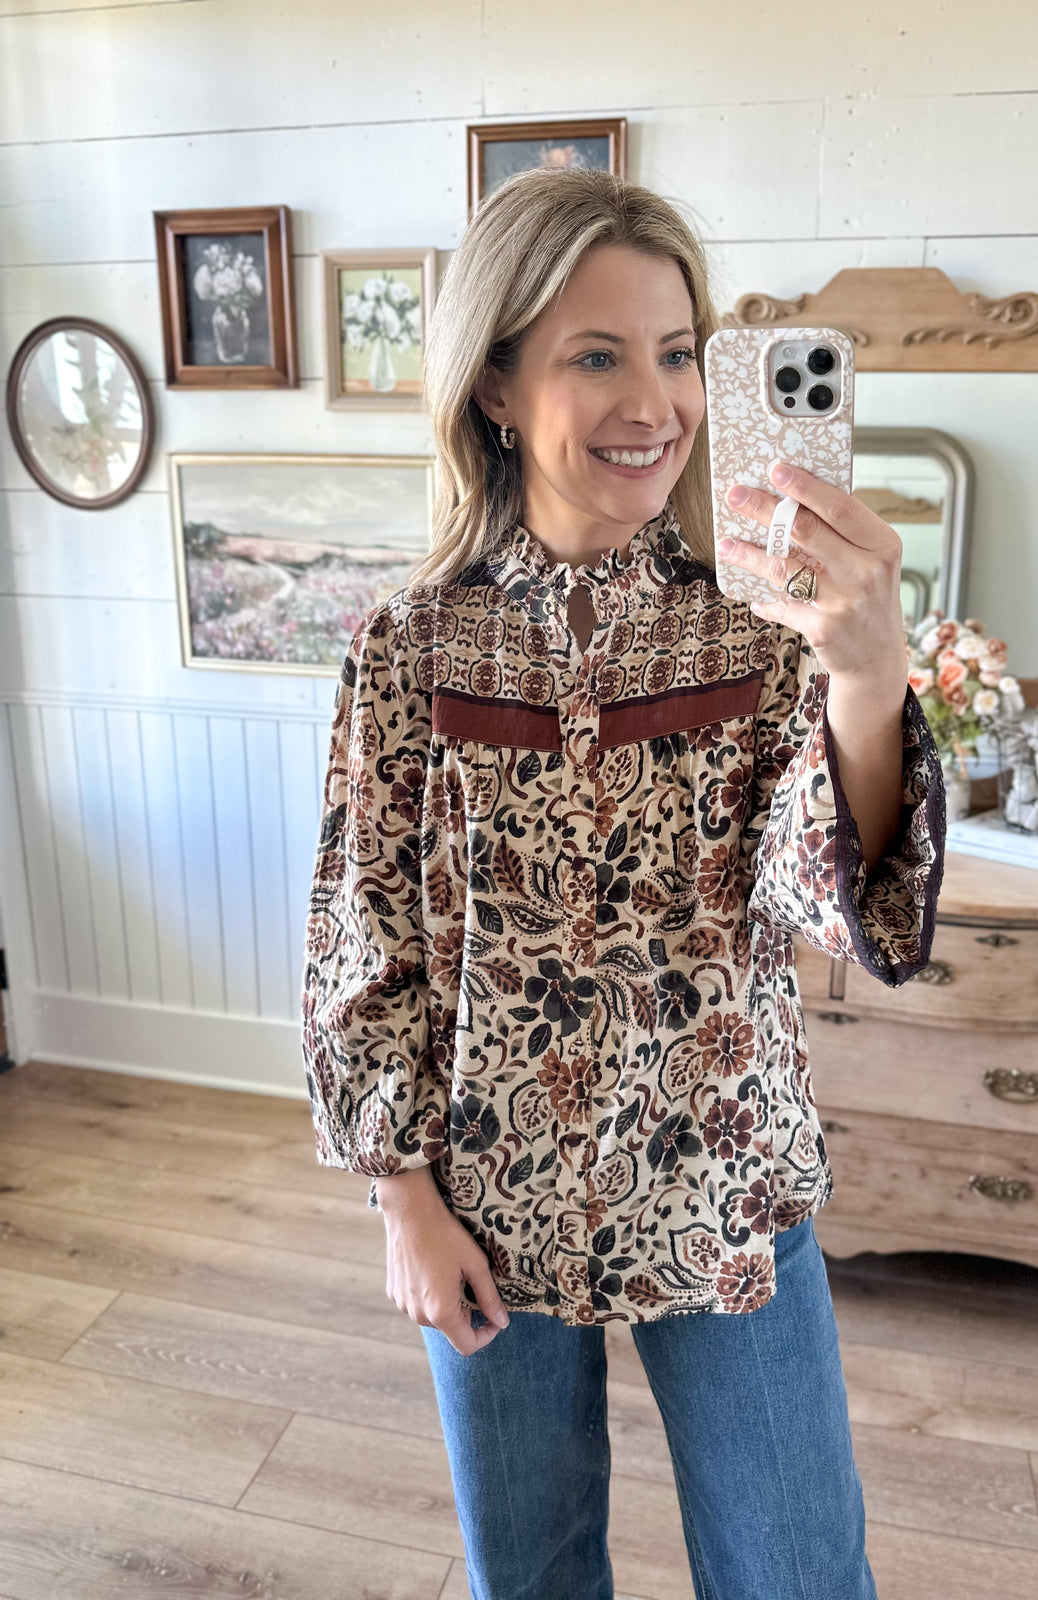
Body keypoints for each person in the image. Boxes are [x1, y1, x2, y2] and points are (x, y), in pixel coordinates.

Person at [301, 166, 946, 1600]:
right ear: (494, 384)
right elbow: (361, 934)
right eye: (596, 356)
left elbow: (830, 900)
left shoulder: (766, 631)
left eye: (676, 354)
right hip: (486, 1186)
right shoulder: (408, 649)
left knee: (801, 1575)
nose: (653, 404)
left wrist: (866, 682)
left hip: (726, 1171)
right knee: (530, 1577)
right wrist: (402, 1197)